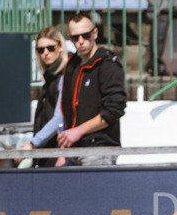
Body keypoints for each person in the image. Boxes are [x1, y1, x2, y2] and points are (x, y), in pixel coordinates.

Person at [57, 12, 126, 165]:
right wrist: (63, 149)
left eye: (85, 35)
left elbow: (114, 110)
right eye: (75, 38)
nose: (81, 41)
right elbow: (66, 110)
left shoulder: (107, 64)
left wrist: (79, 131)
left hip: (99, 148)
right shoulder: (71, 65)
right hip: (73, 148)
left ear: (95, 33)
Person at [18, 26, 70, 167]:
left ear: (60, 46)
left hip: (58, 153)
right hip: (46, 151)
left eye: (50, 48)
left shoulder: (65, 75)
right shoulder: (49, 78)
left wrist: (33, 143)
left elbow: (59, 117)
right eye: (41, 50)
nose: (46, 53)